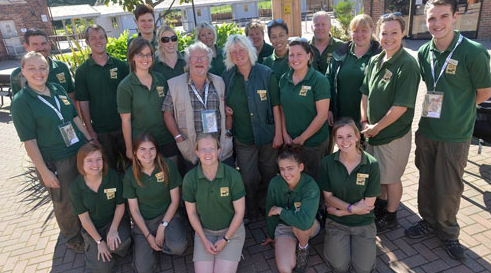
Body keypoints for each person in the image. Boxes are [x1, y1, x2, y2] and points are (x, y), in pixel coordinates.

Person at [405, 0, 491, 261]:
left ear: (455, 17)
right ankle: (428, 221)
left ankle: (449, 232)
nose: (437, 23)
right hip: (428, 129)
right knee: (426, 180)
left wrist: (459, 110)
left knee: (450, 186)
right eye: (432, 18)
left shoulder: (473, 52)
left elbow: (484, 92)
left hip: (455, 134)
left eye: (443, 16)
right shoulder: (424, 52)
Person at [11, 52, 92, 252]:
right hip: (56, 160)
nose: (38, 72)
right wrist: (44, 171)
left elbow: (74, 118)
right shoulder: (21, 102)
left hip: (79, 152)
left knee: (83, 193)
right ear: (22, 71)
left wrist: (89, 141)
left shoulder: (57, 89)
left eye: (42, 67)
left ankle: (87, 229)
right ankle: (74, 239)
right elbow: (29, 142)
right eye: (32, 68)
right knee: (64, 201)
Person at [360, 13, 420, 234]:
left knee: (391, 178)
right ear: (378, 34)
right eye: (384, 33)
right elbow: (365, 93)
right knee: (379, 176)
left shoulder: (407, 65)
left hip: (392, 134)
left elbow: (401, 107)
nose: (389, 37)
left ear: (403, 33)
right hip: (372, 131)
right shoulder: (376, 60)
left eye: (394, 32)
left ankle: (392, 216)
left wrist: (376, 128)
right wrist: (365, 120)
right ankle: (382, 207)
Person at [222, 34, 283, 222]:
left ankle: (267, 208)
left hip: (267, 135)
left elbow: (276, 106)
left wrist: (279, 134)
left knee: (269, 174)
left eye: (242, 50)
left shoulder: (266, 73)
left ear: (249, 51)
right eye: (234, 52)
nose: (238, 54)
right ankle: (251, 211)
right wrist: (225, 108)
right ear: (229, 56)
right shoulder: (227, 77)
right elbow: (222, 101)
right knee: (248, 178)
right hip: (243, 137)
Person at [319, 118, 380, 273]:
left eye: (349, 136)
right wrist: (352, 209)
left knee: (364, 269)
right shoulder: (327, 163)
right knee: (339, 266)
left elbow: (367, 206)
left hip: (363, 223)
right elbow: (328, 198)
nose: (345, 141)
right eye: (339, 137)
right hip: (337, 223)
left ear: (357, 136)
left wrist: (342, 211)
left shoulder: (371, 164)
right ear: (335, 140)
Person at [123, 133, 187, 273]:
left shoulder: (166, 166)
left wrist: (162, 227)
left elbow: (175, 201)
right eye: (142, 149)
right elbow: (134, 210)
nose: (147, 153)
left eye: (151, 149)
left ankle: (160, 243)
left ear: (157, 150)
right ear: (135, 151)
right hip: (144, 221)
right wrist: (148, 236)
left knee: (179, 247)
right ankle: (148, 245)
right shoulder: (130, 175)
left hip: (167, 216)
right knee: (143, 269)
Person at [163, 42, 233, 170]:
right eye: (195, 57)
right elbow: (167, 112)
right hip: (191, 148)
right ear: (188, 62)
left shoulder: (219, 82)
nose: (199, 60)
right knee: (195, 185)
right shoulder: (175, 85)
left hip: (218, 147)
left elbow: (227, 109)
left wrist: (228, 131)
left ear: (209, 62)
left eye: (204, 57)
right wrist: (178, 137)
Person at [182, 133, 246, 273]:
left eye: (211, 148)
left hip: (231, 232)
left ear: (218, 150)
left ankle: (233, 251)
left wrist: (225, 239)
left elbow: (240, 212)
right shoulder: (189, 178)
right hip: (204, 233)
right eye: (203, 149)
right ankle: (226, 256)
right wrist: (204, 240)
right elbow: (191, 213)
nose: (207, 153)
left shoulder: (233, 175)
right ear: (197, 152)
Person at [75, 24, 130, 173]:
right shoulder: (82, 72)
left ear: (106, 40)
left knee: (132, 166)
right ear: (87, 42)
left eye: (101, 37)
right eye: (93, 38)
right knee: (109, 170)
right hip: (101, 132)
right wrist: (91, 131)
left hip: (124, 127)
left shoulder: (120, 66)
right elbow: (83, 103)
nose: (98, 41)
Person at [69, 143, 131, 273]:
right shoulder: (75, 187)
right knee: (103, 268)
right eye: (89, 161)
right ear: (81, 163)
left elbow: (120, 205)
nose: (95, 164)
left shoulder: (113, 177)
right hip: (93, 228)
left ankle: (113, 248)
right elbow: (84, 218)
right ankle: (96, 248)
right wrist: (99, 242)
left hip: (113, 222)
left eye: (98, 159)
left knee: (119, 245)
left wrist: (114, 229)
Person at [117, 38, 179, 165]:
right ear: (132, 57)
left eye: (148, 55)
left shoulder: (160, 79)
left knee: (172, 176)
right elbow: (126, 120)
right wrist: (129, 148)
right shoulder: (125, 86)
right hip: (143, 144)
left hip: (166, 138)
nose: (145, 59)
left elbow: (170, 111)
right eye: (140, 55)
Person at [263, 145, 320, 273]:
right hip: (284, 227)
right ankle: (292, 245)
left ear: (301, 167)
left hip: (307, 226)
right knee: (284, 268)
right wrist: (272, 235)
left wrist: (281, 211)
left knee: (299, 225)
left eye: (290, 168)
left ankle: (303, 249)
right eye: (282, 169)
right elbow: (270, 211)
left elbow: (305, 222)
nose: (286, 174)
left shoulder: (310, 186)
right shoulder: (275, 183)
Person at [280, 38, 330, 181]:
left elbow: (322, 115)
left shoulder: (319, 80)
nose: (295, 58)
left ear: (309, 56)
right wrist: (285, 135)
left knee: (314, 180)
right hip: (290, 143)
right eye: (291, 55)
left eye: (299, 54)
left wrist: (302, 138)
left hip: (313, 144)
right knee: (294, 180)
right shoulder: (284, 79)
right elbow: (282, 109)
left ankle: (319, 204)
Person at [326, 14, 381, 128]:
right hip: (342, 118)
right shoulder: (340, 54)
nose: (359, 35)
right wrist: (329, 109)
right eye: (355, 31)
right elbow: (329, 82)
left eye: (364, 30)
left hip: (368, 120)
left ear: (372, 30)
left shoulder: (380, 56)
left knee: (363, 146)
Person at [10, 29, 75, 101]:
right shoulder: (18, 74)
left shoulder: (61, 67)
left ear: (49, 44)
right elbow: (19, 104)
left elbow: (71, 95)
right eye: (35, 44)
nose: (41, 48)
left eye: (43, 43)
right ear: (26, 46)